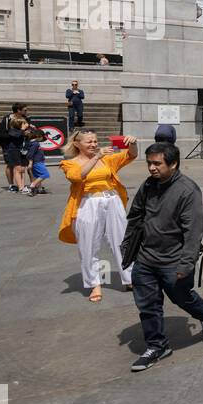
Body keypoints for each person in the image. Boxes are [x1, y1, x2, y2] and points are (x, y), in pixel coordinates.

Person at [122, 142, 203, 372]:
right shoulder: (148, 185)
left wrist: (186, 264)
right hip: (145, 258)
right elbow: (136, 214)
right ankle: (157, 346)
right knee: (147, 305)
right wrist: (130, 243)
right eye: (149, 163)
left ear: (173, 164)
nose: (152, 168)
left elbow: (193, 231)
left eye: (157, 163)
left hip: (173, 261)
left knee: (182, 298)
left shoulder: (188, 190)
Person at [58, 129, 138, 302]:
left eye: (95, 141)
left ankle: (130, 278)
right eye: (89, 142)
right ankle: (94, 284)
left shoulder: (107, 159)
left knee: (123, 240)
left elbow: (131, 155)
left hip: (112, 200)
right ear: (77, 144)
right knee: (88, 245)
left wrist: (133, 143)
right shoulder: (70, 163)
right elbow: (77, 176)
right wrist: (96, 157)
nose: (94, 145)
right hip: (88, 204)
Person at [0, 102, 30, 192]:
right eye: (25, 110)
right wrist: (15, 135)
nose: (27, 112)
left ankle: (21, 184)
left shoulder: (25, 119)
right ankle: (11, 184)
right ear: (18, 110)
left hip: (21, 145)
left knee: (20, 166)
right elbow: (1, 133)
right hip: (9, 146)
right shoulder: (7, 119)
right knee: (10, 165)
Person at [24, 127, 51, 194]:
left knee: (37, 176)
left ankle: (38, 188)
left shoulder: (32, 143)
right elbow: (30, 154)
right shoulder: (35, 144)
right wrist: (30, 163)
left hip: (37, 162)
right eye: (42, 137)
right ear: (39, 136)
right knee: (45, 174)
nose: (42, 139)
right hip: (37, 162)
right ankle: (33, 185)